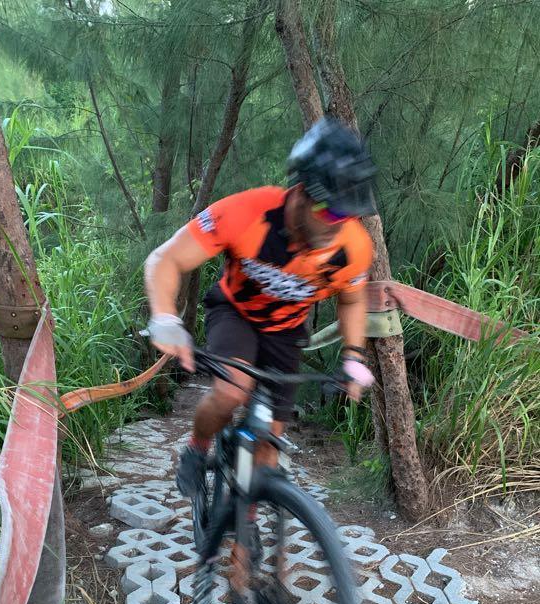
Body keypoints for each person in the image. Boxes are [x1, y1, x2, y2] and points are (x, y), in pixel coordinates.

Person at [145, 117, 376, 498]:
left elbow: (351, 299)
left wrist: (353, 356)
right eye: (329, 212)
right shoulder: (247, 213)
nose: (338, 224)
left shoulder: (353, 246)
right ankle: (197, 447)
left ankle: (244, 540)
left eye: (347, 214)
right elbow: (165, 260)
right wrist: (165, 317)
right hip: (235, 312)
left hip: (286, 330)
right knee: (232, 392)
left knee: (270, 445)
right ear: (301, 192)